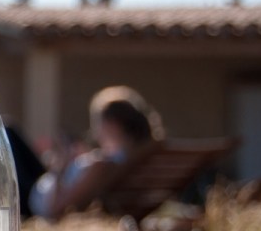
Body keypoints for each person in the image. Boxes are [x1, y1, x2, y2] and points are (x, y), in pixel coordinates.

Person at [29, 86, 163, 219]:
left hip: (32, 199)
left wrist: (60, 169)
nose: (95, 133)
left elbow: (56, 210)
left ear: (113, 125)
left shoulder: (102, 165)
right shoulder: (130, 158)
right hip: (41, 187)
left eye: (98, 124)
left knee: (15, 140)